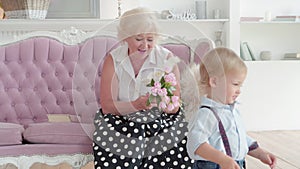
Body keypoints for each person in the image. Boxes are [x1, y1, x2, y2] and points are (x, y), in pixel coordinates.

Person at [93, 7, 194, 168]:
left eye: (150, 39)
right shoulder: (114, 60)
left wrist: (161, 104)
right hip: (121, 118)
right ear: (125, 37)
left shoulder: (167, 59)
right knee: (121, 134)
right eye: (139, 39)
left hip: (159, 119)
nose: (145, 45)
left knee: (166, 137)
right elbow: (107, 106)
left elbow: (175, 105)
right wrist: (136, 105)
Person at [186, 47, 277, 169]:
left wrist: (260, 153)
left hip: (234, 164)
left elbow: (239, 139)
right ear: (214, 82)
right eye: (235, 84)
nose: (239, 91)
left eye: (240, 85)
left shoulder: (232, 111)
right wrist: (222, 159)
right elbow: (196, 144)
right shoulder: (206, 114)